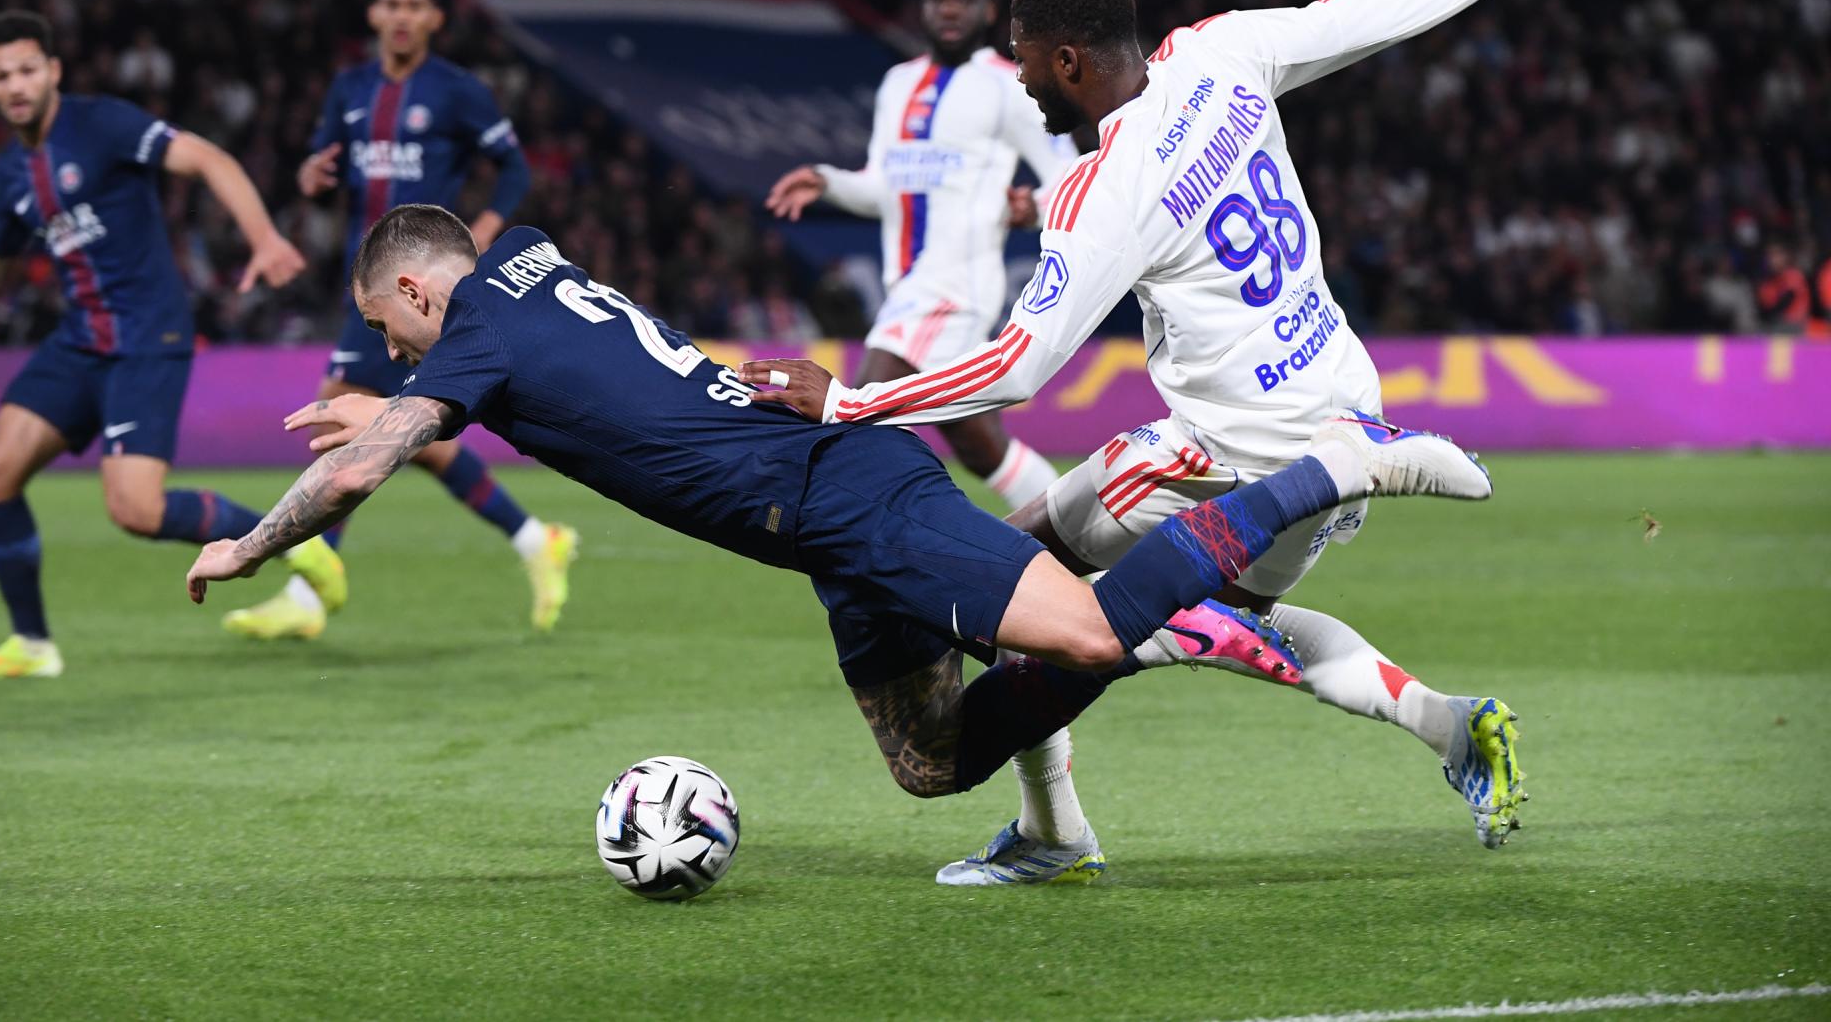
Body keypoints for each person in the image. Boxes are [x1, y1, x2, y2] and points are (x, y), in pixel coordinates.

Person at [744, 0, 1610, 880]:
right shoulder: (1218, 51)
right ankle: (1446, 726)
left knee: (1058, 607)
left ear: (1068, 61)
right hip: (1331, 403)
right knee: (1117, 602)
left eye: (1026, 62)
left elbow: (1016, 368)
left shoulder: (1102, 189)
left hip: (1229, 454)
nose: (1019, 82)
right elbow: (1364, 13)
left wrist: (847, 404)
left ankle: (1055, 831)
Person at [184, 206, 1494, 820]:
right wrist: (408, 404)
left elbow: (365, 470)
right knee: (931, 761)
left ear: (417, 292)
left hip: (848, 490)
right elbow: (558, 373)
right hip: (817, 519)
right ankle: (1117, 621)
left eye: (388, 330)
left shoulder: (465, 337)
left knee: (1087, 635)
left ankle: (1329, 466)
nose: (401, 357)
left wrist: (250, 539)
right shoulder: (524, 257)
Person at [0, 10, 336, 681]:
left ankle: (293, 539)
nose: (17, 85)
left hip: (149, 334)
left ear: (54, 70)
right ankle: (32, 644)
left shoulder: (101, 124)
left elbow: (206, 157)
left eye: (29, 69)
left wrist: (264, 238)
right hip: (80, 342)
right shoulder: (9, 178)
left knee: (136, 509)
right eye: (1, 75)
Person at [221, 0, 578, 642]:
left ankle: (308, 583)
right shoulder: (350, 89)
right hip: (371, 283)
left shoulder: (457, 91)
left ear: (435, 19)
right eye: (393, 2)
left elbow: (515, 167)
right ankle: (535, 539)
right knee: (411, 431)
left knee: (342, 409)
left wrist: (484, 232)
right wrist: (308, 173)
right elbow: (319, 165)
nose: (404, 14)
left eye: (417, 4)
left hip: (422, 291)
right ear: (376, 15)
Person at [765, 0, 1071, 511]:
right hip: (908, 283)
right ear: (923, 10)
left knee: (858, 411)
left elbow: (1069, 175)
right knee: (980, 446)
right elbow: (883, 187)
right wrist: (827, 182)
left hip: (955, 284)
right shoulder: (898, 84)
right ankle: (1091, 548)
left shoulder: (1008, 86)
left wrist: (1038, 207)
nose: (949, 8)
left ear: (985, 11)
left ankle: (866, 557)